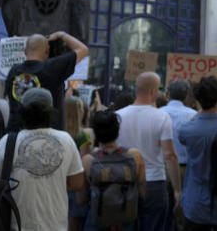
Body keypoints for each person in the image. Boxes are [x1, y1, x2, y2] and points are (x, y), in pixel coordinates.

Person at [0, 87, 86, 231]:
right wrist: (50, 181)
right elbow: (77, 183)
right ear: (51, 112)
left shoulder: (8, 142)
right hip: (56, 226)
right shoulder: (66, 140)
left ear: (22, 112)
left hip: (17, 226)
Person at [117, 72, 182, 231]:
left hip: (125, 180)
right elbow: (170, 155)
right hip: (154, 182)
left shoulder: (118, 116)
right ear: (153, 91)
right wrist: (178, 189)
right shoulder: (162, 117)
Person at [178, 77, 217, 231]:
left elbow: (187, 130)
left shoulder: (187, 130)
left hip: (196, 203)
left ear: (198, 99)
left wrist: (202, 109)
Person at [6, 31, 89, 132]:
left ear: (25, 51)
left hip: (16, 137)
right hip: (49, 137)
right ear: (47, 51)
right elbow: (83, 49)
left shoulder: (13, 72)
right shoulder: (52, 68)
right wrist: (61, 34)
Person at [82, 109, 146, 231]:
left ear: (96, 133)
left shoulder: (88, 160)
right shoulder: (134, 155)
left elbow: (81, 199)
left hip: (99, 218)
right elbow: (142, 190)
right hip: (126, 217)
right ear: (117, 131)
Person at [161, 79, 198, 189]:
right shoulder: (194, 115)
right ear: (187, 96)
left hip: (162, 170)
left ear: (168, 94)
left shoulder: (158, 113)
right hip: (185, 170)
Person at [66, 95, 94, 231]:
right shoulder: (83, 135)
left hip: (61, 182)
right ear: (79, 112)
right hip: (77, 184)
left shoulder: (59, 131)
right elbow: (84, 162)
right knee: (75, 222)